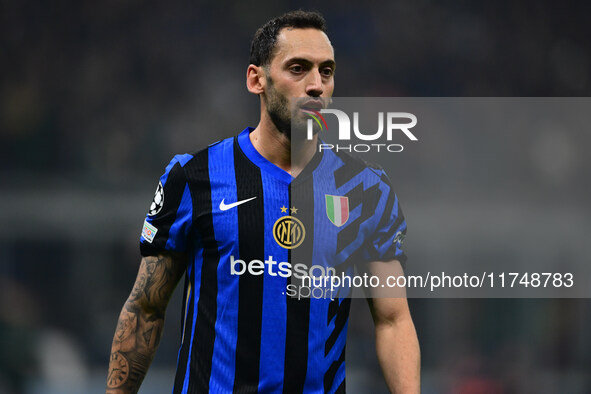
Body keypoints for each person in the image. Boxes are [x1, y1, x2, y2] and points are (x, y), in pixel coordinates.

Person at [106, 10, 420, 394]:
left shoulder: (367, 189)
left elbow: (393, 320)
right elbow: (145, 310)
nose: (316, 85)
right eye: (299, 68)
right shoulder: (193, 176)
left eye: (326, 71)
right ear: (257, 79)